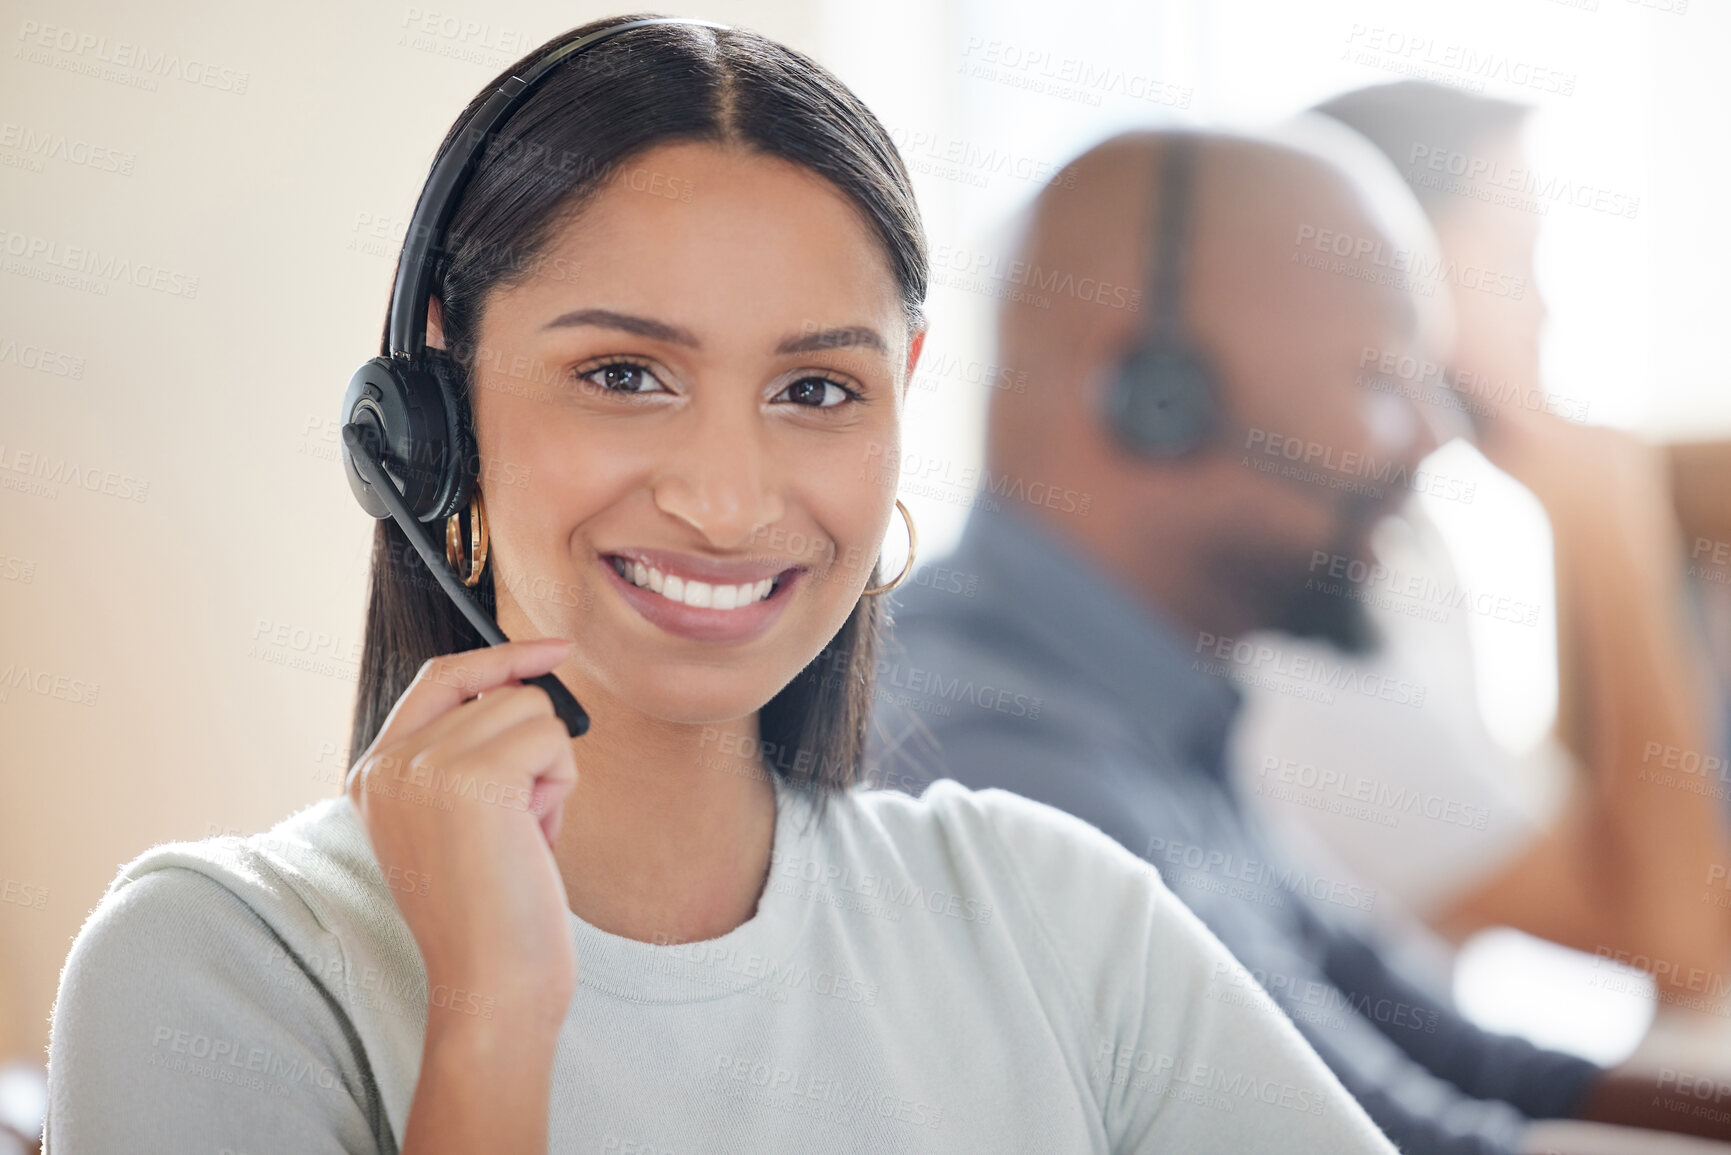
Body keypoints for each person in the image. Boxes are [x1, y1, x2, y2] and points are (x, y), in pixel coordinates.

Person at [40, 16, 1398, 1155]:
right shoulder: (216, 967)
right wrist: (495, 1015)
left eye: (815, 389)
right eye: (625, 374)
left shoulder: (1048, 906)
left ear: (900, 400)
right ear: (430, 404)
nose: (729, 498)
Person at [866, 126, 1731, 1153]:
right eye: (1380, 378)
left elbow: (1474, 1066)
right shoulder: (999, 756)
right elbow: (1401, 1139)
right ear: (1153, 394)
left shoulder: (1151, 708)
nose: (1433, 436)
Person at [1223, 80, 1730, 986]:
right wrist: (1600, 521)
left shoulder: (1403, 550)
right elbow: (1675, 939)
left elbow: (1610, 855)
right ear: (1390, 266)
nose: (1546, 309)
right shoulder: (1309, 615)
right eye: (1516, 258)